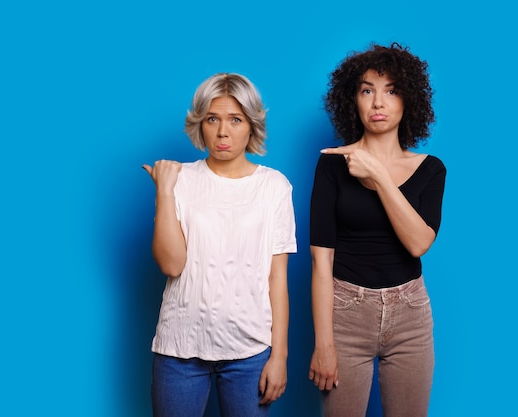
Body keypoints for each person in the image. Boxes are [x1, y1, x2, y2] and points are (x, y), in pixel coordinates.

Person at [142, 73, 297, 417]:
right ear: (201, 122)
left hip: (250, 352)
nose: (223, 132)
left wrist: (280, 356)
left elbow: (277, 278)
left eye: (235, 120)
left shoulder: (274, 187)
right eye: (213, 119)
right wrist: (164, 192)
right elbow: (171, 265)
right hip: (179, 349)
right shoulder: (179, 179)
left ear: (252, 125)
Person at [308, 43, 446, 417]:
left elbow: (418, 243)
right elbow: (321, 264)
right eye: (367, 90)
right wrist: (324, 344)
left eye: (391, 90)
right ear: (352, 100)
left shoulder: (431, 169)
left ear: (408, 100)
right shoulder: (332, 165)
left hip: (410, 316)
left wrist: (380, 177)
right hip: (346, 314)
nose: (378, 102)